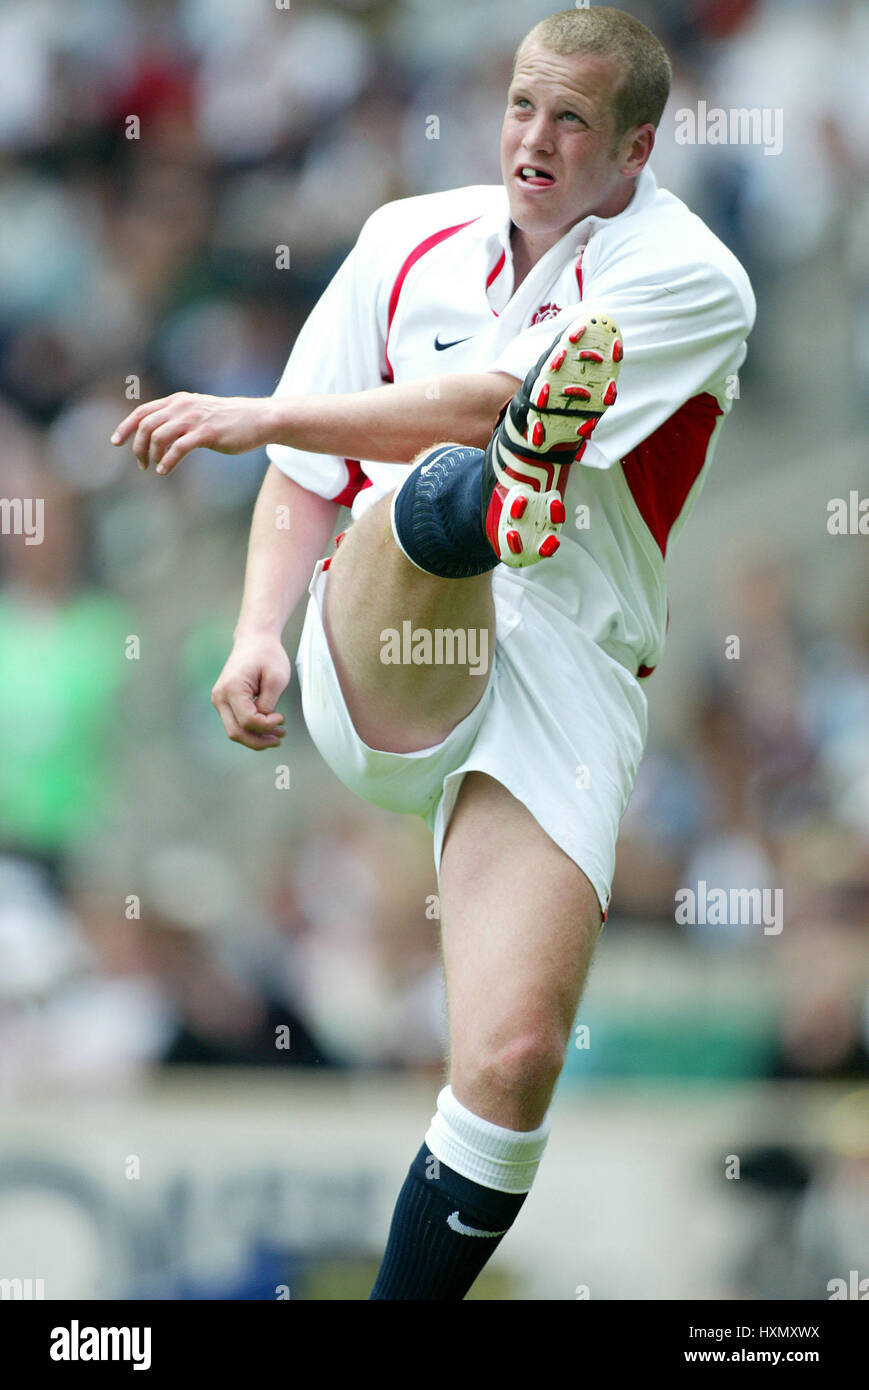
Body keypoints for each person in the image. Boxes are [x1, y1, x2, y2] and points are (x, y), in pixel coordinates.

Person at [111, 7, 755, 1300]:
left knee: (512, 1057)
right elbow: (303, 477)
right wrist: (251, 632)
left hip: (570, 668)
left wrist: (260, 406)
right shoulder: (405, 240)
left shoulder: (692, 273)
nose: (533, 137)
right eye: (521, 104)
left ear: (635, 150)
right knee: (455, 469)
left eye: (571, 120)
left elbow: (445, 395)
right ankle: (480, 502)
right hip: (391, 631)